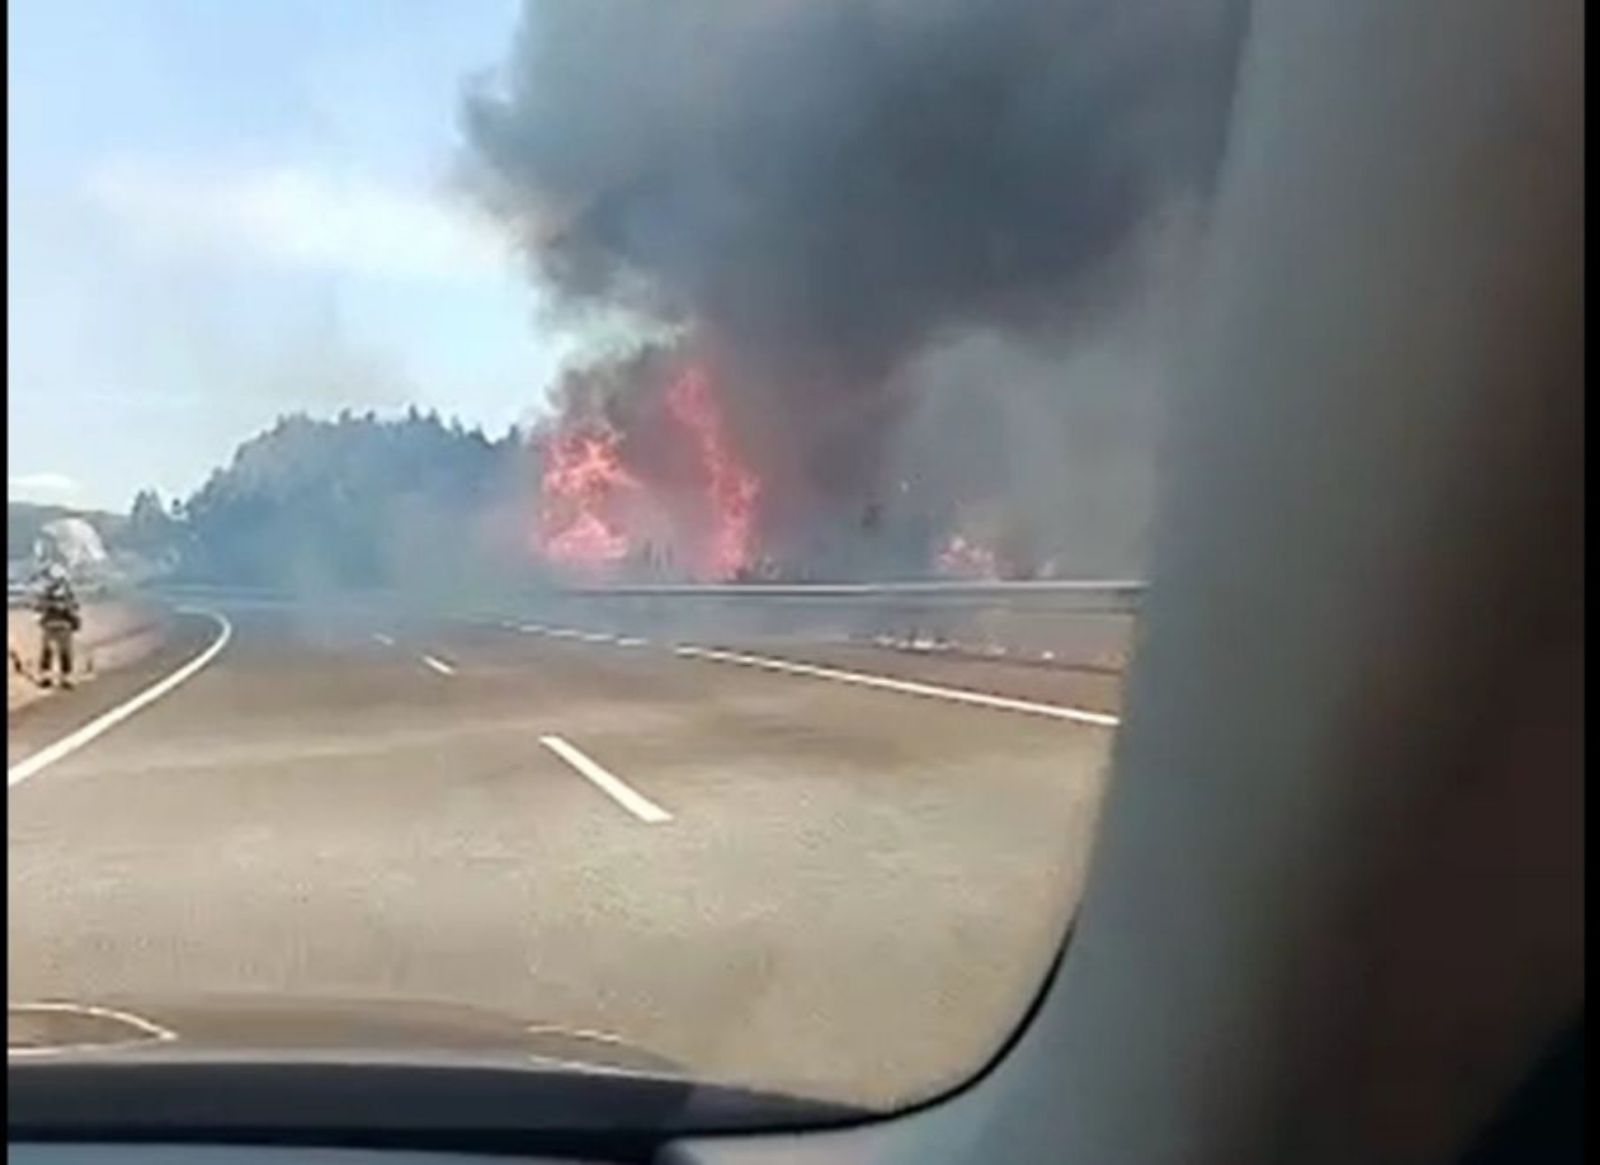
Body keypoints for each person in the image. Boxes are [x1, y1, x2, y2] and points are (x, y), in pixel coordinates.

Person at [33, 566, 81, 689]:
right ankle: (47, 676)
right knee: (49, 651)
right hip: (52, 625)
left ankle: (64, 676)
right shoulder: (46, 594)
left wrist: (73, 618)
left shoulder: (66, 594)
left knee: (63, 652)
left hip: (62, 626)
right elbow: (39, 608)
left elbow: (74, 608)